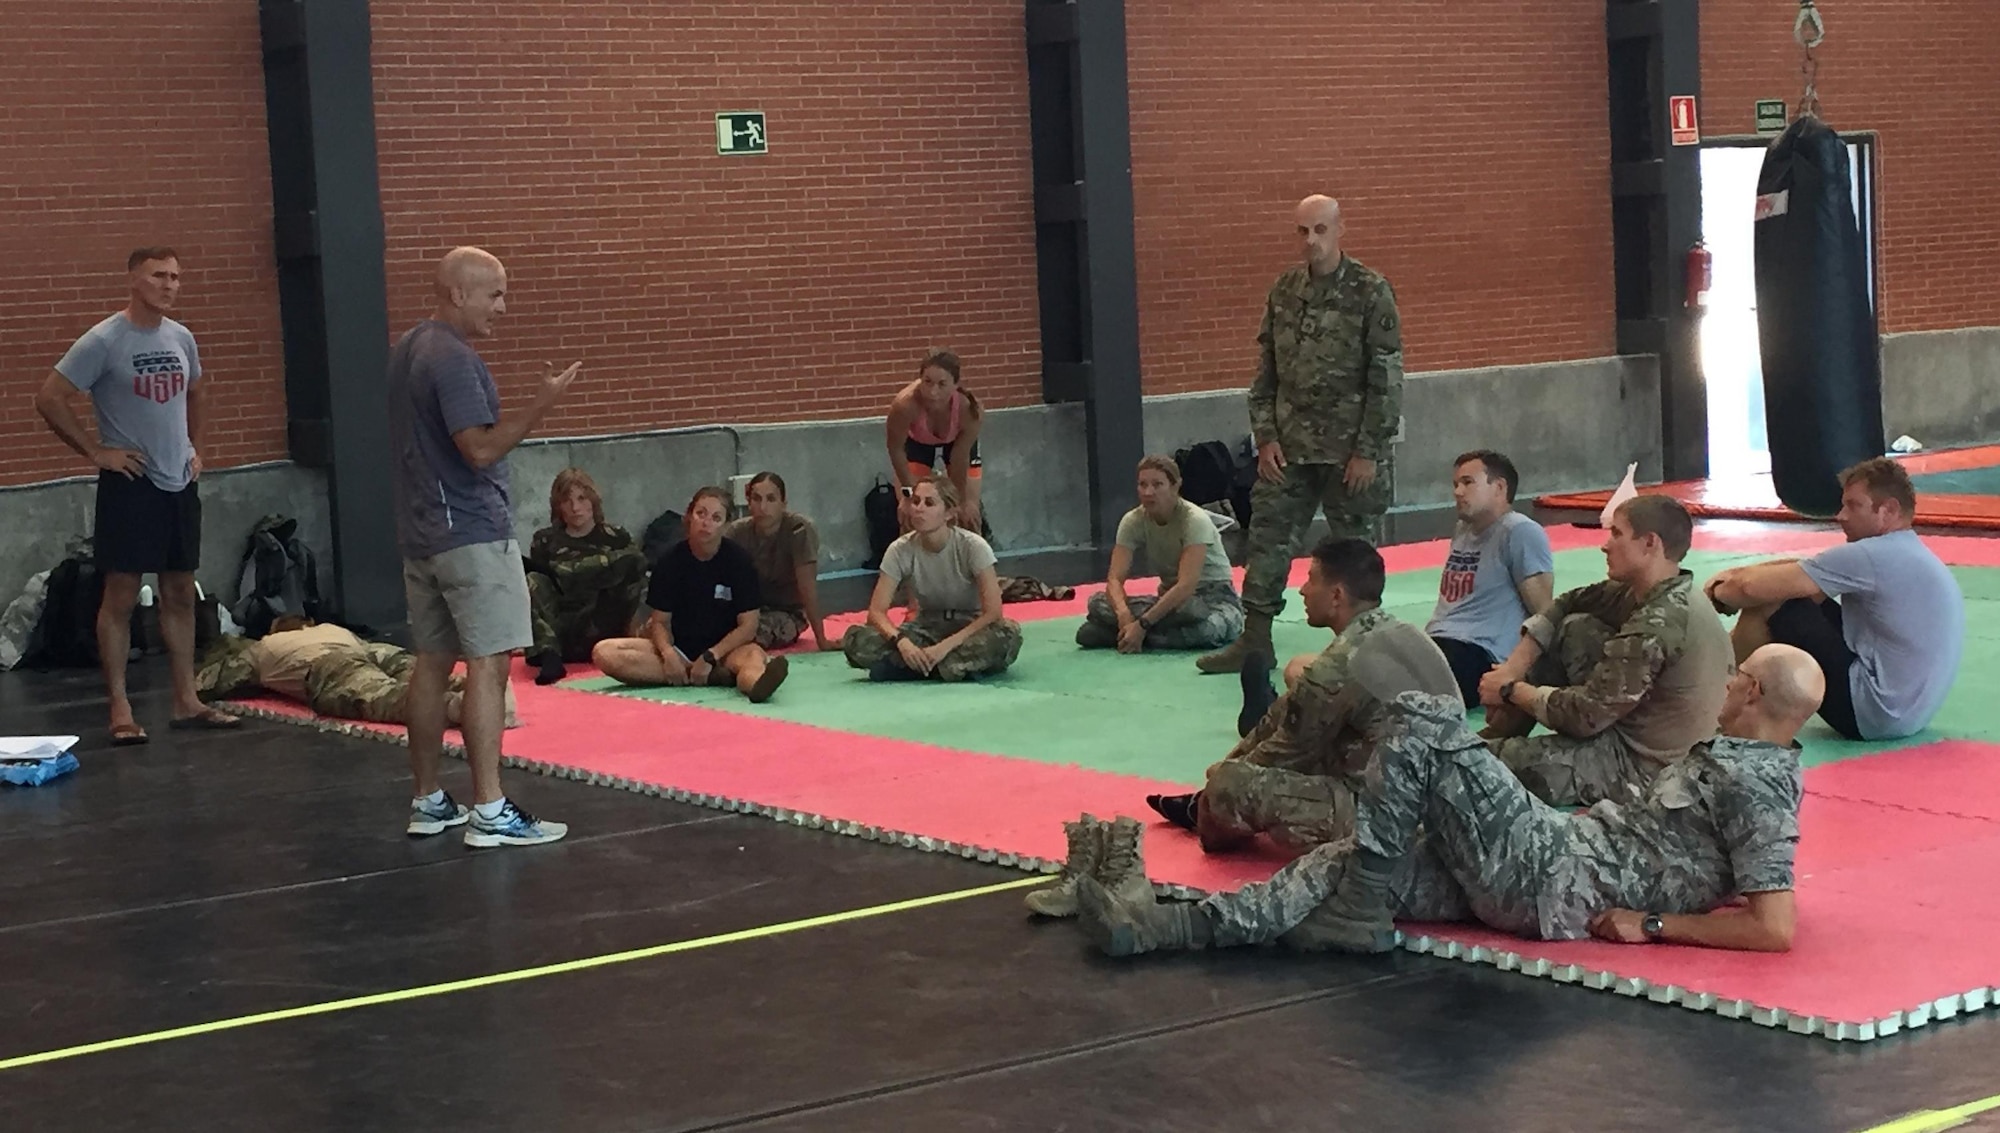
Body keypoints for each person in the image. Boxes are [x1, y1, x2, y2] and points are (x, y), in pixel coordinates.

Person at [1067, 643, 1821, 959]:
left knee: (1426, 715)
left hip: (1553, 872)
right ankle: (1168, 930)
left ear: (1751, 691)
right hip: (1547, 865)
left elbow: (1774, 924)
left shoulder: (1757, 784)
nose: (1725, 681)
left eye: (1735, 675)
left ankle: (1362, 902)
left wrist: (1651, 923)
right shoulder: (1742, 759)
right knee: (1346, 859)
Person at [388, 245, 579, 847]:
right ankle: (490, 809)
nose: (503, 306)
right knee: (490, 665)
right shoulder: (452, 358)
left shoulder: (409, 350)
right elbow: (480, 449)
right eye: (494, 293)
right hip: (468, 532)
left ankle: (428, 800)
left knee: (432, 662)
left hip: (422, 531)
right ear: (457, 293)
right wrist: (540, 405)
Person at [32, 247, 240, 744]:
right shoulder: (105, 340)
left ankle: (186, 699)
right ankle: (121, 709)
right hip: (131, 483)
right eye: (158, 276)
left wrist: (198, 449)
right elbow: (49, 397)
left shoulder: (182, 338)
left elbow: (198, 391)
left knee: (180, 592)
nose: (169, 285)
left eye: (175, 277)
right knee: (121, 596)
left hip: (178, 480)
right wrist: (96, 451)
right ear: (134, 280)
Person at [1139, 538, 1457, 861]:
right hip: (1446, 797)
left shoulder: (1341, 664)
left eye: (1310, 579)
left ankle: (1201, 809)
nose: (1302, 590)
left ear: (1337, 596)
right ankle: (1204, 799)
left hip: (1399, 818)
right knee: (1297, 709)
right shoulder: (1402, 632)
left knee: (1229, 787)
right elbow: (1287, 718)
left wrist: (1219, 783)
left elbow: (1282, 753)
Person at [1198, 195, 1404, 675]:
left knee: (1354, 549)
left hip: (1349, 448)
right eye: (1303, 231)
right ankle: (1254, 642)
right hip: (1289, 447)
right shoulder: (1284, 290)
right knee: (1267, 537)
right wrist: (1265, 436)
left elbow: (1387, 376)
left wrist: (1369, 450)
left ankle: (1361, 648)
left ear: (1339, 230)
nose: (1311, 240)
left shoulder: (1370, 291)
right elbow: (1264, 370)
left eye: (1320, 230)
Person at [1477, 496, 1733, 808]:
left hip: (1647, 769)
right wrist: (1514, 667)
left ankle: (1483, 747)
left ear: (1649, 543)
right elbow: (1569, 602)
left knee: (1480, 765)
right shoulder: (1653, 589)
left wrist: (1510, 689)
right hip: (1638, 729)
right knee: (1573, 627)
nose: (1605, 545)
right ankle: (1497, 731)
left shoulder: (1660, 621)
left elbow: (1585, 715)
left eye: (1617, 534)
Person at [1705, 457, 1964, 741]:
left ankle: (1708, 690)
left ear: (1888, 510)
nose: (1840, 516)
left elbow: (1749, 590)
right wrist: (1736, 576)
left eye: (1853, 506)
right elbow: (1798, 574)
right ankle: (1722, 680)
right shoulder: (1906, 551)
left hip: (1871, 713)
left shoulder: (1871, 555)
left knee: (1771, 601)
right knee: (1789, 590)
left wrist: (1714, 593)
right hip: (1908, 714)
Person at [592, 486, 791, 702]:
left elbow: (749, 625)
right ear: (689, 517)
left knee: (753, 658)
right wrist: (668, 654)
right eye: (701, 514)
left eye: (716, 518)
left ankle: (755, 686)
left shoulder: (739, 562)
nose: (706, 523)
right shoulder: (670, 561)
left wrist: (711, 656)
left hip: (726, 651)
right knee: (605, 652)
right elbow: (659, 622)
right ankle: (707, 676)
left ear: (726, 526)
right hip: (680, 649)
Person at [843, 475, 1022, 682]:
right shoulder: (900, 549)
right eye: (916, 501)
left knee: (1007, 636)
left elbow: (993, 612)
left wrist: (944, 647)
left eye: (929, 503)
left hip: (969, 627)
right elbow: (876, 613)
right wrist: (903, 643)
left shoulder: (973, 546)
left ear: (949, 513)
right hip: (927, 626)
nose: (919, 508)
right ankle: (945, 668)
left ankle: (910, 668)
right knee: (857, 640)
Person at [195, 616, 518, 729]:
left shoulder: (264, 647)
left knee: (381, 695)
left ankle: (457, 707)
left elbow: (214, 681)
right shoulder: (328, 627)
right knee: (415, 671)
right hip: (363, 647)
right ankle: (481, 686)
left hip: (326, 665)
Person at [1076, 455, 1244, 653]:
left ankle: (1135, 636)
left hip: (1212, 602)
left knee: (1203, 627)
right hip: (1170, 606)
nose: (1148, 492)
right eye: (1142, 485)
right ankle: (1149, 635)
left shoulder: (1194, 519)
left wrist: (1142, 626)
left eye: (1157, 485)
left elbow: (1186, 586)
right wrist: (1124, 617)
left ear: (1175, 486)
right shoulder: (1133, 520)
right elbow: (1114, 579)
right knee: (1097, 602)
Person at [1424, 450, 1555, 705]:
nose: (1458, 492)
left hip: (1481, 651)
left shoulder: (1520, 531)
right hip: (1439, 640)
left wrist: (1519, 671)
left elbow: (1544, 613)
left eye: (1467, 482)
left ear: (1499, 487)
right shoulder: (1463, 529)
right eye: (1455, 485)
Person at [524, 467, 648, 685]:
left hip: (605, 619)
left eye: (581, 499)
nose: (575, 507)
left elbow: (635, 566)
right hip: (564, 626)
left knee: (636, 577)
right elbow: (548, 584)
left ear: (593, 500)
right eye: (566, 501)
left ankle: (635, 642)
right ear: (558, 506)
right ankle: (549, 656)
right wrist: (600, 568)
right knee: (533, 581)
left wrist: (575, 572)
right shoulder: (545, 541)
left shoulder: (614, 536)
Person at [723, 471, 836, 651]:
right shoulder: (737, 532)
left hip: (787, 612)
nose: (763, 507)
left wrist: (821, 638)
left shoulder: (799, 529)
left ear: (783, 503)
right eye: (757, 499)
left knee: (752, 634)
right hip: (747, 610)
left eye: (771, 499)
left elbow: (807, 587)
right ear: (749, 502)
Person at [886, 349, 986, 533]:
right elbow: (895, 448)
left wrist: (961, 502)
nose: (933, 392)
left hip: (956, 447)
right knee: (912, 513)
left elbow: (959, 457)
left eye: (942, 385)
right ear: (920, 380)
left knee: (968, 512)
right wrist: (908, 494)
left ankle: (975, 555)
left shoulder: (969, 409)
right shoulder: (905, 405)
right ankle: (911, 558)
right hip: (918, 444)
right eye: (927, 382)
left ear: (955, 384)